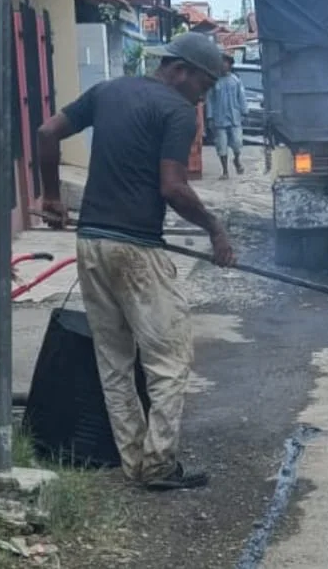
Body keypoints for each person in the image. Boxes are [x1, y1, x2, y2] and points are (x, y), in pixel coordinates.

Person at [36, 32, 236, 491]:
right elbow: (173, 187)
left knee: (114, 360)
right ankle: (160, 464)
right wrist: (215, 228)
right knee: (169, 358)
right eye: (203, 86)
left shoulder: (109, 90)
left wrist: (50, 194)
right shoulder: (177, 111)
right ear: (180, 70)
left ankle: (136, 464)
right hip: (137, 248)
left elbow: (48, 132)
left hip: (91, 244)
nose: (203, 97)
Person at [206, 54, 248, 179]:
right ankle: (225, 171)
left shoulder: (235, 80)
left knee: (237, 142)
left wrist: (244, 112)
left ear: (230, 65)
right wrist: (210, 117)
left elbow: (241, 97)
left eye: (226, 63)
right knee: (221, 146)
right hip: (219, 119)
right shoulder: (214, 81)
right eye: (221, 63)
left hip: (235, 118)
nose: (223, 65)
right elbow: (210, 100)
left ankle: (237, 159)